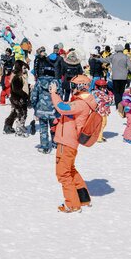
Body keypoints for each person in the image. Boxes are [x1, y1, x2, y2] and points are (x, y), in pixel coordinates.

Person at [49, 75, 94, 212]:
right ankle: (83, 198)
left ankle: (72, 204)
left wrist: (53, 93)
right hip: (70, 141)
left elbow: (62, 107)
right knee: (70, 169)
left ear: (81, 87)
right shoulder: (82, 101)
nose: (72, 89)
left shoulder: (80, 103)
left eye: (74, 86)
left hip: (67, 141)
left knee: (63, 173)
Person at [30, 64, 58, 154]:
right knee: (54, 126)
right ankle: (55, 142)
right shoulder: (57, 82)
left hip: (41, 109)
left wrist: (35, 106)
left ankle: (44, 146)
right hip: (53, 109)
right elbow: (60, 95)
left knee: (43, 128)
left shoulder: (39, 81)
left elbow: (34, 95)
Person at [4, 59, 30, 135]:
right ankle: (17, 128)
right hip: (17, 98)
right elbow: (16, 89)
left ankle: (15, 125)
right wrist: (24, 95)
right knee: (20, 113)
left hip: (21, 97)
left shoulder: (23, 75)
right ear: (20, 68)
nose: (25, 70)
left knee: (19, 112)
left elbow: (24, 86)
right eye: (24, 68)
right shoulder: (17, 77)